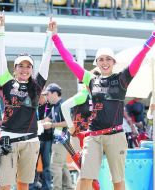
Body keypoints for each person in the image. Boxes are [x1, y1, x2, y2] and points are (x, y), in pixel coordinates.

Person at [51, 19, 155, 190]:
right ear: (97, 63)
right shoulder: (90, 80)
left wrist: (153, 36)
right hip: (93, 137)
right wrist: (56, 38)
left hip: (116, 136)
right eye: (101, 59)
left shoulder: (122, 78)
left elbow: (141, 54)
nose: (104, 62)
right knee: (84, 179)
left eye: (108, 59)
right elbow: (70, 61)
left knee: (117, 181)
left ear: (113, 62)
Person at [0, 14, 53, 190]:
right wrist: (1, 30)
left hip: (31, 141)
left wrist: (49, 35)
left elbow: (46, 56)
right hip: (8, 140)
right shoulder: (6, 82)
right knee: (4, 185)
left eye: (28, 66)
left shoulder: (36, 86)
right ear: (15, 69)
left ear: (32, 70)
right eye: (21, 66)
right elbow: (0, 54)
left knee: (23, 185)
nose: (25, 69)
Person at [43, 83, 73, 190]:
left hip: (62, 140)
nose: (46, 97)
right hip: (60, 141)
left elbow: (69, 123)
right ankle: (69, 188)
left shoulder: (63, 105)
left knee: (55, 167)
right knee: (63, 166)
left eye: (47, 94)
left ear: (55, 93)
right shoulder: (54, 106)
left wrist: (52, 125)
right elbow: (46, 120)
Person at [30, 91, 53, 190]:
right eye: (38, 96)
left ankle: (46, 186)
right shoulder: (35, 106)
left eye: (43, 96)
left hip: (47, 139)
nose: (40, 98)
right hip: (36, 139)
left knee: (47, 164)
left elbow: (50, 119)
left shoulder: (50, 106)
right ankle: (32, 185)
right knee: (33, 163)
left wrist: (40, 122)